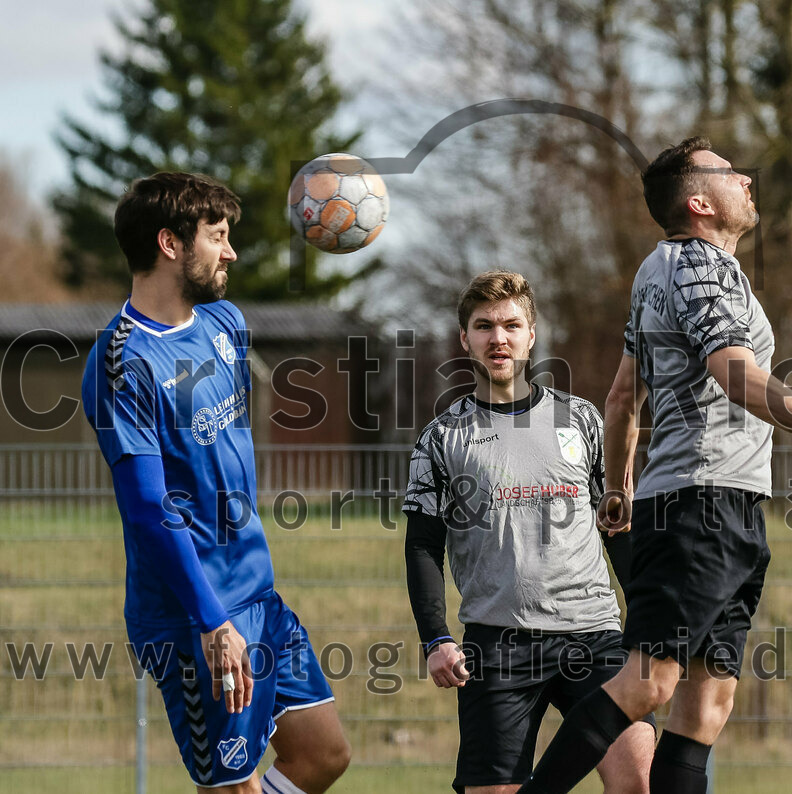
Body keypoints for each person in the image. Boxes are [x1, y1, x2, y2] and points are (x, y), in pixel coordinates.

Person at [519, 138, 792, 793]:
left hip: (716, 505)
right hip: (702, 505)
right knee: (651, 683)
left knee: (706, 709)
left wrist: (620, 489)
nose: (746, 179)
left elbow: (620, 399)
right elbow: (735, 374)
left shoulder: (656, 271)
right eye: (729, 173)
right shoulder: (701, 266)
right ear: (699, 202)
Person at [81, 173, 350, 794]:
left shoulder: (225, 323)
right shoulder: (122, 361)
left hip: (259, 595)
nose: (230, 253)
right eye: (219, 237)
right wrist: (211, 623)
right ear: (171, 244)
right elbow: (149, 510)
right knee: (232, 787)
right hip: (192, 617)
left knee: (323, 753)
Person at [403, 270, 657, 793]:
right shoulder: (441, 439)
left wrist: (650, 623)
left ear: (532, 334)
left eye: (511, 325)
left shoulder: (584, 422)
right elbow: (423, 546)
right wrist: (435, 638)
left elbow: (620, 530)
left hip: (594, 636)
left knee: (636, 780)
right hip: (497, 645)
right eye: (484, 326)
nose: (499, 338)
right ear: (464, 339)